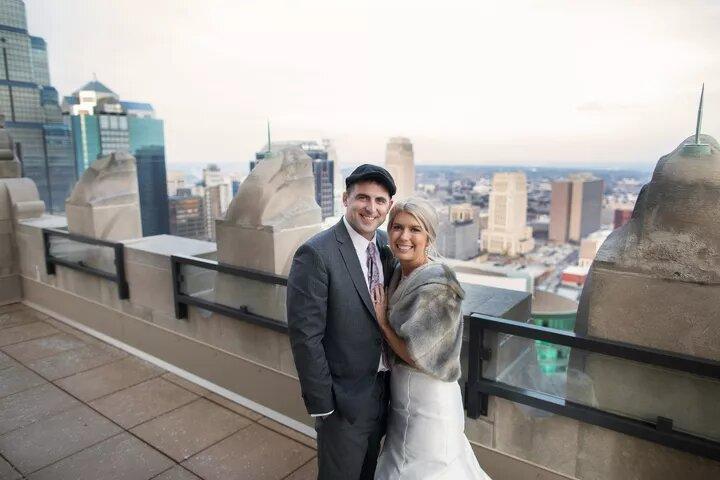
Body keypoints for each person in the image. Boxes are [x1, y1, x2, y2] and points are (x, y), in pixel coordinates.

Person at [287, 164, 397, 480]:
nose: (371, 208)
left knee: (368, 473)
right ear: (345, 199)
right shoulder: (315, 253)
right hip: (342, 401)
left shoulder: (386, 246)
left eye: (379, 200)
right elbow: (305, 336)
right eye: (363, 197)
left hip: (383, 392)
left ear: (389, 206)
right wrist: (324, 404)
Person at [372, 197, 491, 480]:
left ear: (429, 237)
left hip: (431, 398)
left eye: (415, 229)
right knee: (400, 462)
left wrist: (383, 323)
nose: (404, 236)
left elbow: (419, 356)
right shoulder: (399, 272)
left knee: (431, 469)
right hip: (403, 395)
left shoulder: (439, 287)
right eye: (398, 227)